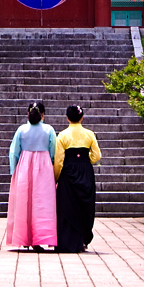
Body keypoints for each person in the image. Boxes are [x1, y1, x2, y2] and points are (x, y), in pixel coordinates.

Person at [5, 103, 57, 250]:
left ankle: (24, 237)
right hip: (44, 168)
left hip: (24, 166)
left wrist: (13, 171)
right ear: (43, 114)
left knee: (24, 202)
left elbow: (14, 152)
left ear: (28, 114)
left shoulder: (21, 130)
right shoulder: (49, 130)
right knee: (43, 203)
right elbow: (54, 152)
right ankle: (40, 237)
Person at [53, 103, 100, 253]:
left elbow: (59, 160)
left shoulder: (62, 135)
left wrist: (56, 177)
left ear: (67, 118)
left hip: (68, 172)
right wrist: (86, 161)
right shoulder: (89, 134)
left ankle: (66, 241)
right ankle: (84, 240)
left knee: (66, 206)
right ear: (82, 117)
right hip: (85, 170)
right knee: (85, 205)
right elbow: (97, 155)